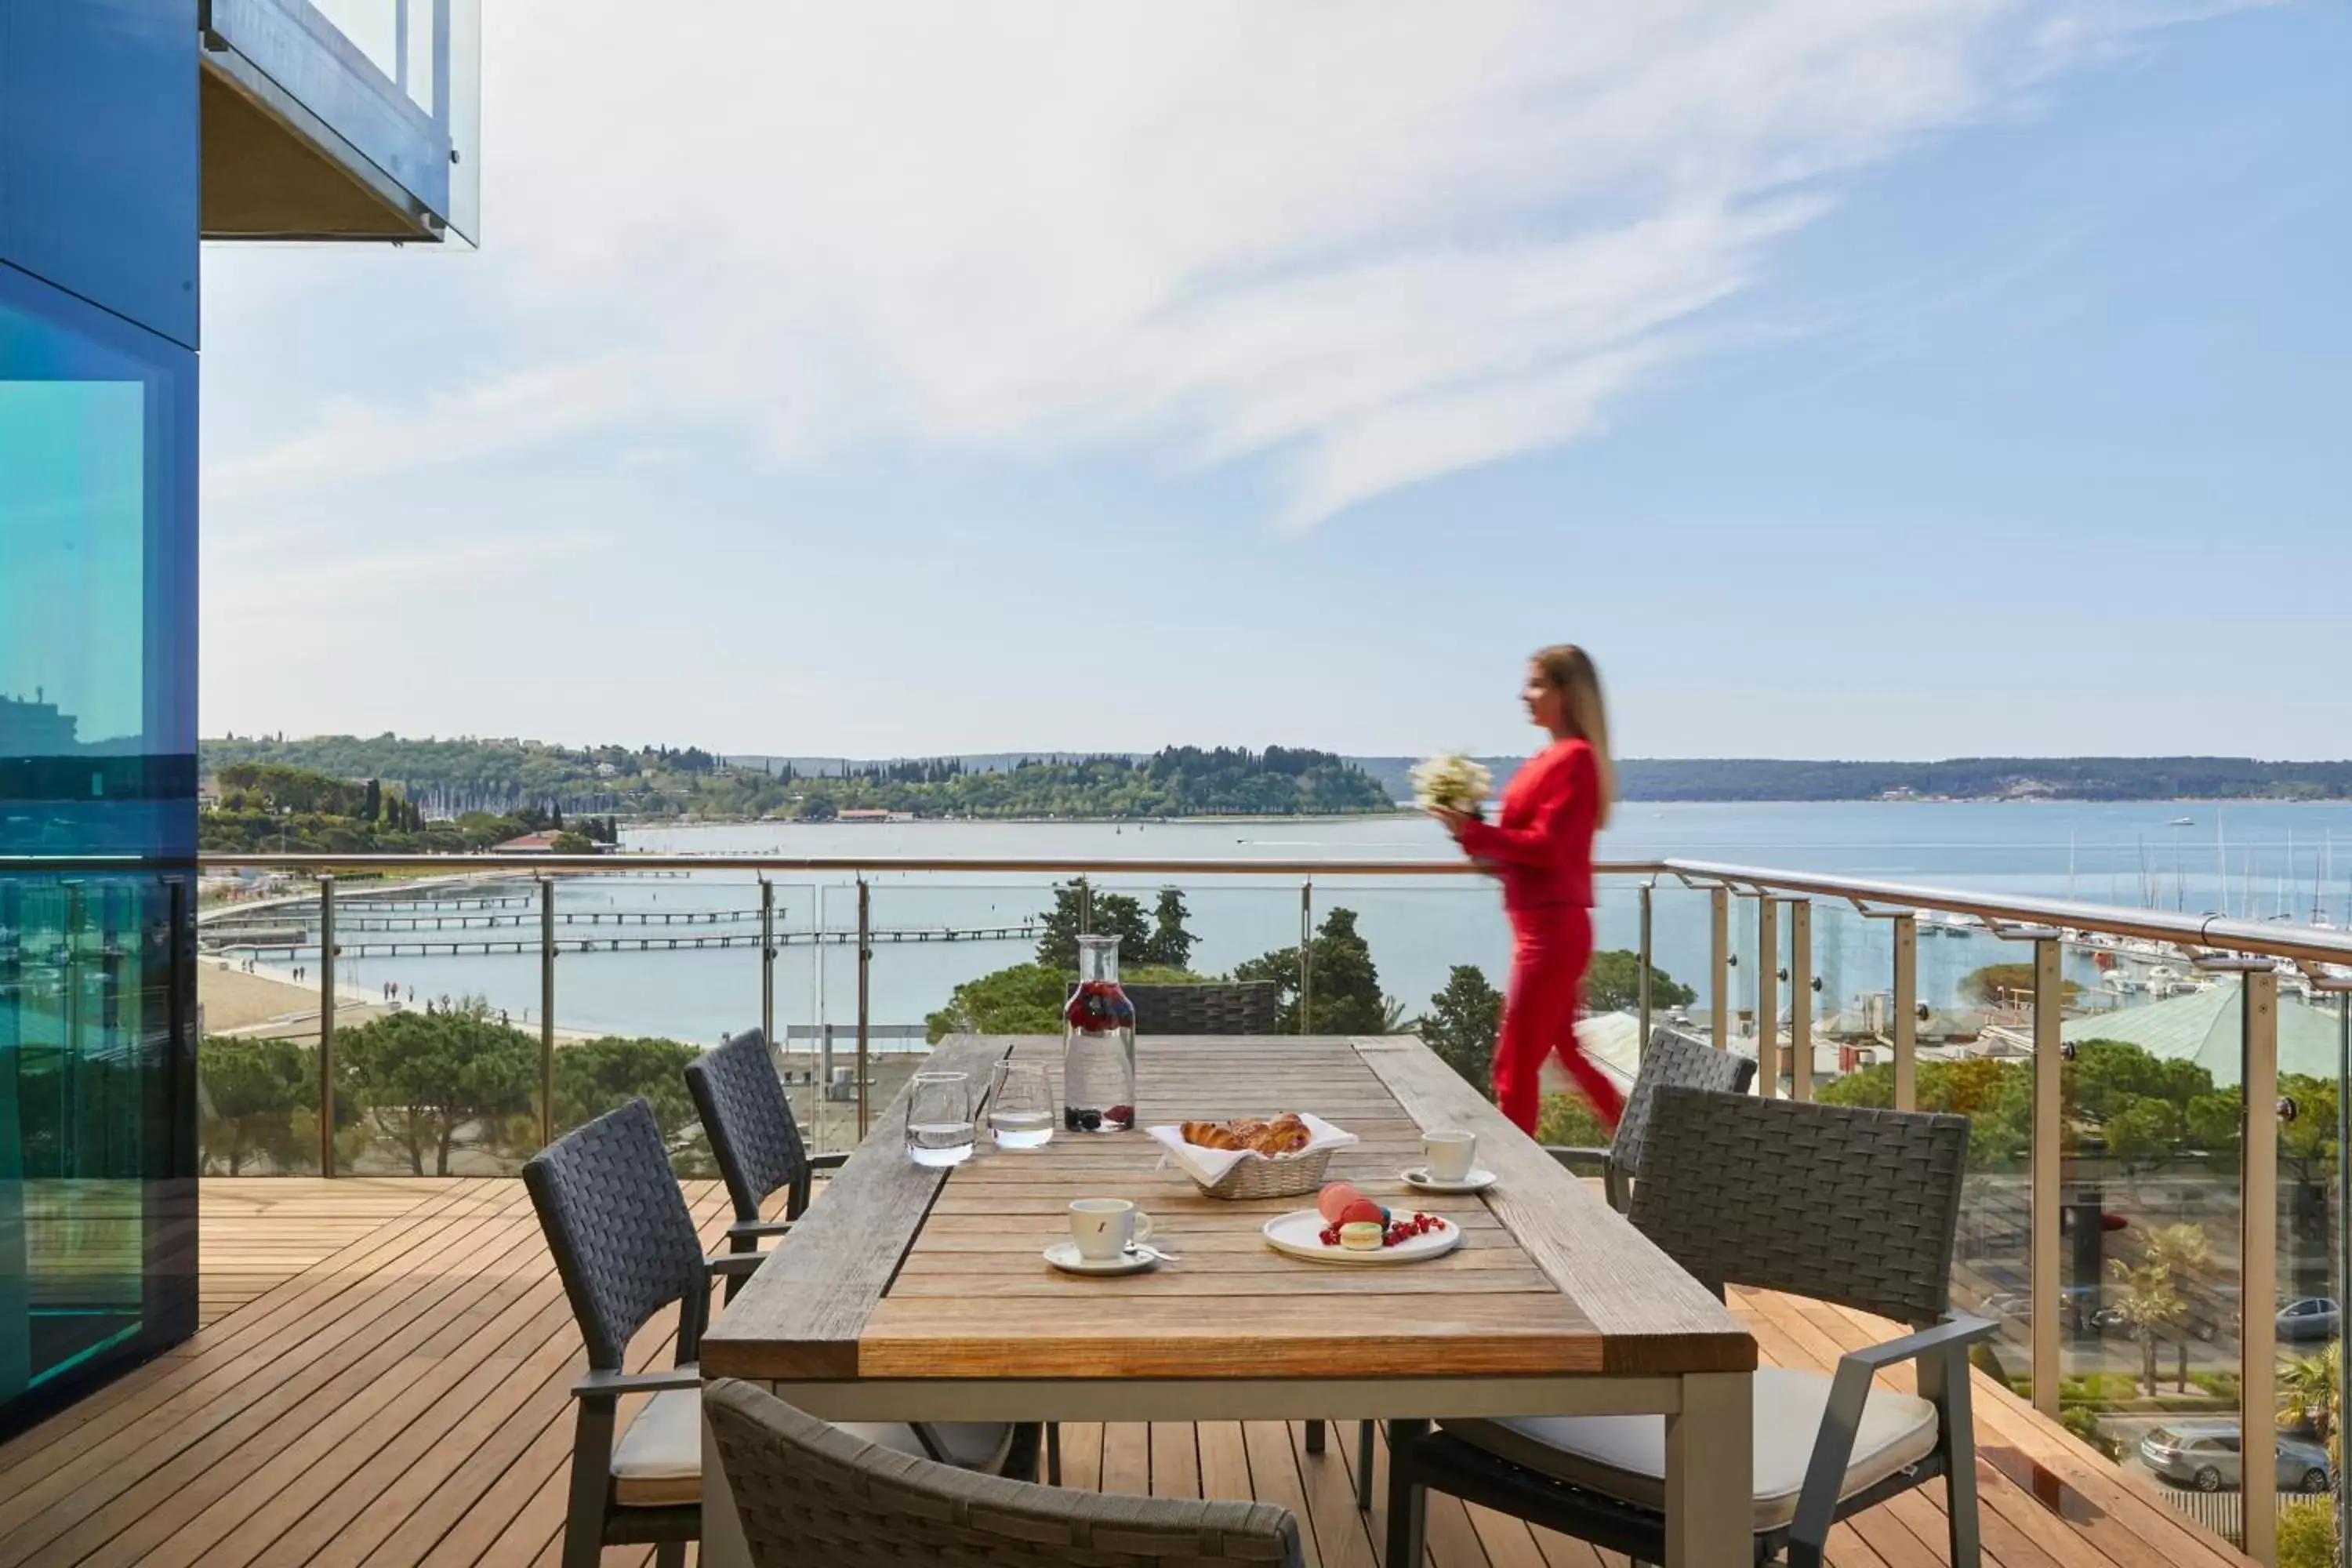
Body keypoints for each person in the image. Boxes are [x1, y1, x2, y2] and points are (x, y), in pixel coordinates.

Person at [1430, 644, 1624, 1136]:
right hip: (1544, 925)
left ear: (1566, 693)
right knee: (1567, 1055)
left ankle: (1512, 1184)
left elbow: (1545, 848)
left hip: (1550, 933)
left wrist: (1475, 833)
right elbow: (1526, 855)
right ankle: (1648, 1141)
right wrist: (1471, 837)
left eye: (1536, 683)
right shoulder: (1550, 757)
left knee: (1512, 1068)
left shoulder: (1574, 759)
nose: (1524, 695)